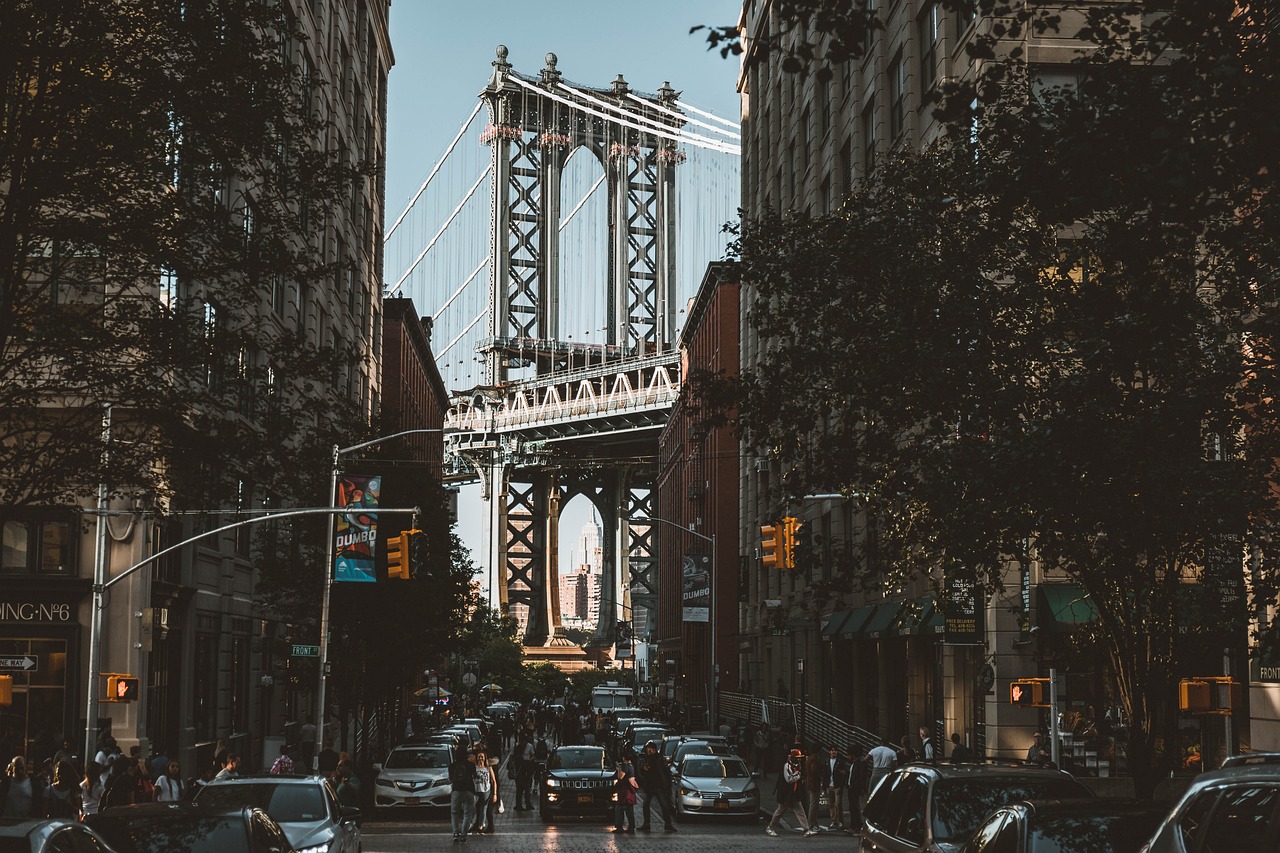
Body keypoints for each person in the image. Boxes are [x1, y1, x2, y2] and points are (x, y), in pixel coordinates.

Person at [765, 748, 815, 837]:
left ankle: (806, 829)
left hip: (793, 794)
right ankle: (770, 827)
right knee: (780, 811)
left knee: (800, 811)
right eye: (797, 757)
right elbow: (788, 779)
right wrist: (798, 775)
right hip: (786, 794)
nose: (799, 759)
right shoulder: (787, 766)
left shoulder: (796, 766)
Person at [635, 741, 677, 833]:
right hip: (650, 786)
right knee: (646, 805)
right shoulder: (647, 759)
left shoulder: (658, 759)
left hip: (658, 786)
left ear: (654, 750)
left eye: (649, 749)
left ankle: (667, 824)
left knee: (663, 805)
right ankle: (647, 824)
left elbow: (665, 771)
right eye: (647, 749)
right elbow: (642, 771)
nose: (648, 751)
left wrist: (666, 784)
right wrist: (644, 769)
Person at [448, 749, 477, 843]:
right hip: (468, 790)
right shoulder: (471, 765)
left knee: (454, 813)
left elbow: (450, 779)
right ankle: (464, 835)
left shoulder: (452, 766)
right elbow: (475, 776)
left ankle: (456, 833)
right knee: (467, 813)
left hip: (456, 790)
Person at [820, 744, 848, 830]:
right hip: (829, 785)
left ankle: (839, 821)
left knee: (838, 804)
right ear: (829, 752)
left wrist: (841, 786)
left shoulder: (840, 761)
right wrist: (825, 786)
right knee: (831, 804)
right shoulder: (826, 761)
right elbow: (824, 774)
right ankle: (834, 821)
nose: (833, 752)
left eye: (835, 750)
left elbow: (843, 774)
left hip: (837, 786)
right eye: (832, 750)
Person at [611, 757, 637, 834]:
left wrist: (618, 769)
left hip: (624, 791)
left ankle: (619, 827)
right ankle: (631, 827)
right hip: (629, 790)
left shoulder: (626, 766)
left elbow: (620, 777)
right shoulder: (631, 766)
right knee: (629, 810)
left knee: (619, 809)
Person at [471, 751, 495, 834]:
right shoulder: (474, 767)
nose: (480, 758)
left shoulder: (488, 768)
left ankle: (480, 826)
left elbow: (494, 781)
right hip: (476, 791)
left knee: (483, 809)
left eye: (482, 757)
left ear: (485, 758)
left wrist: (495, 794)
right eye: (479, 756)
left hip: (486, 791)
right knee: (473, 808)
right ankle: (472, 824)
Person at [514, 734, 535, 811]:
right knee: (524, 788)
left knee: (523, 788)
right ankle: (524, 804)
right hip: (522, 768)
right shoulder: (519, 746)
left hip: (524, 768)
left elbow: (533, 755)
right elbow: (533, 755)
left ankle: (520, 804)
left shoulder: (520, 746)